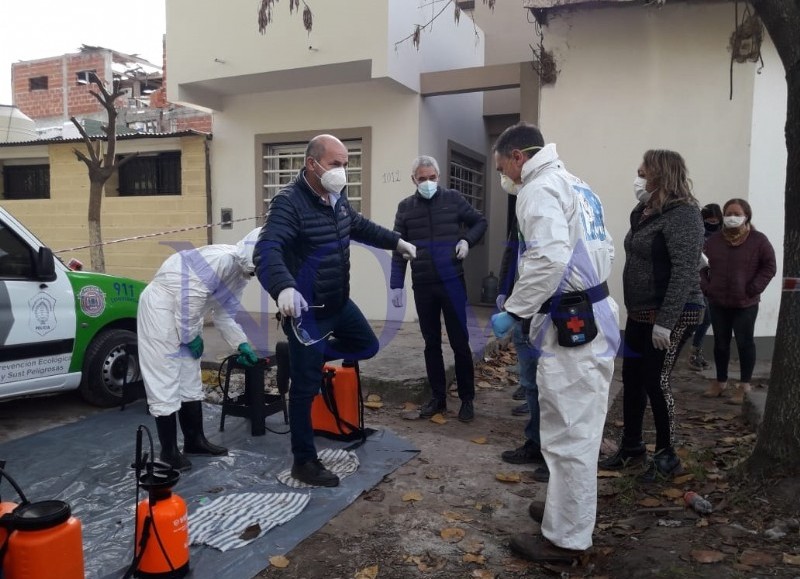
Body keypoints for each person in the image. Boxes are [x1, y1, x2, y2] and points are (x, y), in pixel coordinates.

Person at [254, 134, 417, 487]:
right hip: (307, 311)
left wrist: (396, 242)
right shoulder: (288, 203)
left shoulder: (336, 198)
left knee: (367, 345)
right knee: (305, 388)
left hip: (338, 302)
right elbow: (267, 250)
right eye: (336, 164)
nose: (343, 171)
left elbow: (357, 226)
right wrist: (283, 287)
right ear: (312, 164)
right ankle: (304, 462)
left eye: (346, 164)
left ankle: (301, 355)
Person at [490, 122, 620, 563]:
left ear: (518, 157)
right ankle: (567, 511)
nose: (503, 176)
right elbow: (605, 249)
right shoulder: (578, 185)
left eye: (501, 166)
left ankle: (566, 541)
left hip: (573, 320)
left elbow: (549, 256)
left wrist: (517, 309)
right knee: (578, 423)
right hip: (596, 311)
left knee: (570, 432)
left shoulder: (539, 188)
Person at [600, 150, 704, 484]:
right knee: (631, 376)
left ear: (660, 175)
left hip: (673, 313)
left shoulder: (684, 214)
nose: (638, 178)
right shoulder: (643, 212)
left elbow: (686, 270)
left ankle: (667, 455)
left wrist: (667, 320)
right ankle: (632, 447)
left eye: (643, 173)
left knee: (656, 382)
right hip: (641, 311)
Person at [138, 228, 263, 471]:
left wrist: (241, 343)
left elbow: (225, 315)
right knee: (164, 377)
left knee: (189, 378)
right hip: (160, 308)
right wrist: (190, 336)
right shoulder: (220, 260)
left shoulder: (240, 275)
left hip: (186, 314)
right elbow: (189, 300)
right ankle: (169, 452)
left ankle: (195, 441)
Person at [390, 155, 487, 422]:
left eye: (432, 178)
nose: (428, 183)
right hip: (423, 284)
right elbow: (398, 248)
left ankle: (467, 399)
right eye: (422, 179)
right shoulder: (405, 207)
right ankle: (438, 399)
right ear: (414, 180)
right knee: (431, 343)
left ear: (439, 177)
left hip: (452, 281)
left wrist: (467, 241)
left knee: (460, 342)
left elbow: (480, 221)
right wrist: (396, 285)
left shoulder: (453, 199)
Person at [700, 198, 776, 403]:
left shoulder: (758, 240)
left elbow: (769, 267)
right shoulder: (713, 241)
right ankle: (720, 381)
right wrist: (707, 287)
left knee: (745, 342)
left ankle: (744, 385)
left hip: (745, 303)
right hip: (718, 301)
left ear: (746, 216)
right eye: (729, 214)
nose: (732, 218)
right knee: (720, 343)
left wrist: (753, 288)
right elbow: (701, 267)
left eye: (736, 214)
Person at [496, 215, 543, 465]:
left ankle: (546, 447)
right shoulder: (522, 213)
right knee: (529, 380)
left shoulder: (545, 211)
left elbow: (547, 267)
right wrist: (504, 290)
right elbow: (511, 255)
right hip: (520, 308)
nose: (502, 173)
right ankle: (535, 441)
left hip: (543, 310)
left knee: (545, 383)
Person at [689, 203, 723, 371]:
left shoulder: (722, 236)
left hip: (716, 282)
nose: (713, 223)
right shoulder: (698, 234)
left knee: (707, 318)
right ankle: (694, 352)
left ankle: (697, 352)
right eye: (709, 220)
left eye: (715, 220)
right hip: (699, 281)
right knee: (705, 317)